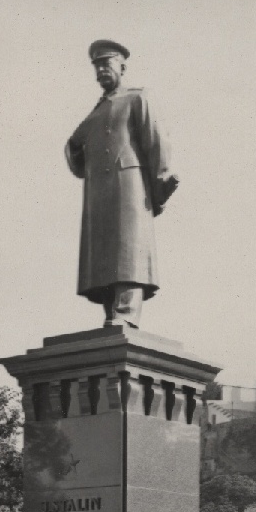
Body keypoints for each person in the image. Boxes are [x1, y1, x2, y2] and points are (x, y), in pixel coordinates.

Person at [65, 40, 178, 328]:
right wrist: (76, 154)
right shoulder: (95, 112)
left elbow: (156, 141)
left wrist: (161, 182)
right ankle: (111, 314)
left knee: (129, 250)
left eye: (107, 63)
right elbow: (73, 147)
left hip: (130, 187)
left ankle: (127, 314)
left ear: (122, 66)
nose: (101, 70)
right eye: (97, 66)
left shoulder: (137, 98)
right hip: (99, 192)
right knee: (104, 253)